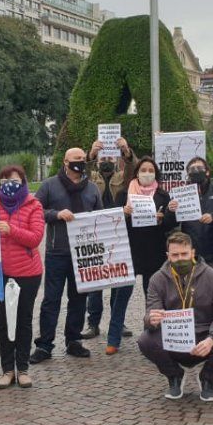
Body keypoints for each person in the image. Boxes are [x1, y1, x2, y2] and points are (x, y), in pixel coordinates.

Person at [138, 232, 213, 402]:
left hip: (204, 336)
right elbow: (151, 313)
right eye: (175, 255)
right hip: (173, 338)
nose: (180, 259)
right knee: (145, 341)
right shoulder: (157, 279)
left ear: (193, 253)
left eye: (184, 254)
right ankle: (175, 375)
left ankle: (207, 378)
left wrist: (212, 339)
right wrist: (151, 319)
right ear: (167, 256)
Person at [30, 147, 103, 363]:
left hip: (82, 254)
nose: (80, 162)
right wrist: (56, 214)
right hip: (57, 251)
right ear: (65, 162)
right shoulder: (50, 185)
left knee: (78, 299)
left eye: (82, 159)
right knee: (51, 299)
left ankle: (73, 340)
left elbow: (100, 217)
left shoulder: (91, 189)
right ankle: (44, 345)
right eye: (75, 159)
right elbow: (35, 210)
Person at [107, 157, 175, 355]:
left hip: (153, 252)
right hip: (128, 252)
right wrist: (123, 212)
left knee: (152, 298)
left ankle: (152, 339)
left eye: (150, 170)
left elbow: (171, 223)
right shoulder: (123, 194)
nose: (146, 173)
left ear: (156, 173)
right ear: (136, 172)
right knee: (121, 297)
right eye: (143, 169)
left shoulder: (163, 195)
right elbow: (111, 219)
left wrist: (164, 218)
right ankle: (113, 339)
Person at [0, 165, 44, 389]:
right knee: (3, 322)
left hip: (27, 273)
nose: (8, 184)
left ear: (22, 181)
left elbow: (35, 238)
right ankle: (7, 370)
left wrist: (11, 229)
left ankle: (22, 369)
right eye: (4, 180)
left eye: (13, 180)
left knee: (23, 320)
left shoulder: (34, 205)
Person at [83, 137, 138, 340]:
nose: (106, 159)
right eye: (102, 156)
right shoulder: (90, 178)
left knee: (119, 279)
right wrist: (90, 155)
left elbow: (134, 168)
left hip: (118, 235)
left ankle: (118, 320)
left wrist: (126, 150)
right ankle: (93, 323)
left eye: (109, 156)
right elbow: (81, 172)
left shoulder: (123, 177)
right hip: (96, 234)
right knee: (95, 282)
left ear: (116, 159)